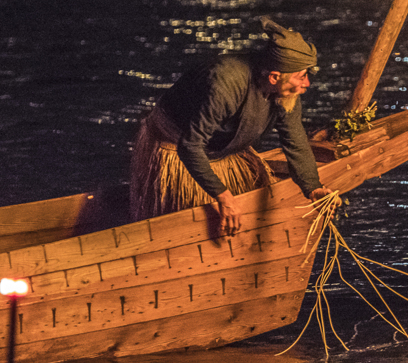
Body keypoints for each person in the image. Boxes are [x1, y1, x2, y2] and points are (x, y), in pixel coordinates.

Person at [130, 17, 334, 234]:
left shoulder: (286, 90)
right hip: (178, 147)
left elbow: (295, 140)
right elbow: (189, 146)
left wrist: (313, 187)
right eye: (302, 77)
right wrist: (223, 195)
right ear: (274, 77)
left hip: (225, 148)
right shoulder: (226, 85)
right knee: (197, 227)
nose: (307, 84)